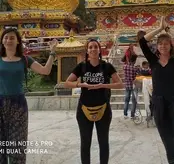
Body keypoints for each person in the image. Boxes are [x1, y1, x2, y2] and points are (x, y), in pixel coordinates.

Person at [0, 27, 58, 164]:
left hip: (18, 105)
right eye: (6, 37)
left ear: (18, 41)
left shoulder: (25, 60)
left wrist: (53, 52)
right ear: (2, 40)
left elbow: (45, 71)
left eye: (12, 38)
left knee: (17, 145)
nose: (9, 40)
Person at [139, 17, 174, 164]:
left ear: (170, 45)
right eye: (160, 44)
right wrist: (159, 29)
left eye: (166, 43)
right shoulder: (153, 61)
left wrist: (168, 29)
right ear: (157, 46)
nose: (163, 46)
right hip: (159, 105)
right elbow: (143, 42)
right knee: (169, 142)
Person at [65, 39, 123, 164]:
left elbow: (119, 84)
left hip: (103, 108)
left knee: (103, 142)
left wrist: (103, 85)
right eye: (90, 47)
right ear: (87, 51)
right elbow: (67, 83)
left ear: (99, 50)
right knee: (85, 143)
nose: (93, 49)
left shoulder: (106, 66)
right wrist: (81, 84)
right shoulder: (82, 66)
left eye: (95, 47)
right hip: (84, 109)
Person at [123, 54, 139, 119]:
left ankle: (125, 114)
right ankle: (132, 115)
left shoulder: (125, 67)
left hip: (127, 85)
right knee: (134, 101)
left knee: (126, 100)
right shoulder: (135, 68)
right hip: (133, 86)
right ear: (134, 61)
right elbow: (137, 76)